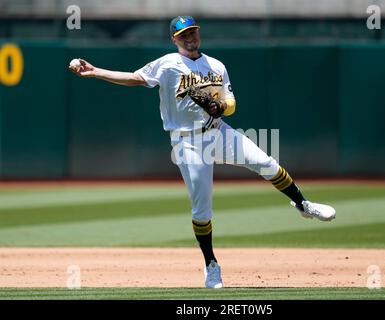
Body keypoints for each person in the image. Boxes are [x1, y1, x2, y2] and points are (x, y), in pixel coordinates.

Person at [69, 16, 336, 289]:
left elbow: (230, 102)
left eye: (193, 32)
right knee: (202, 210)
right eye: (183, 34)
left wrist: (220, 108)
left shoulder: (216, 65)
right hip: (187, 144)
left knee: (266, 162)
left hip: (219, 132)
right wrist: (96, 71)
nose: (190, 38)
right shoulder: (167, 64)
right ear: (174, 40)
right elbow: (135, 78)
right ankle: (211, 265)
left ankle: (303, 205)